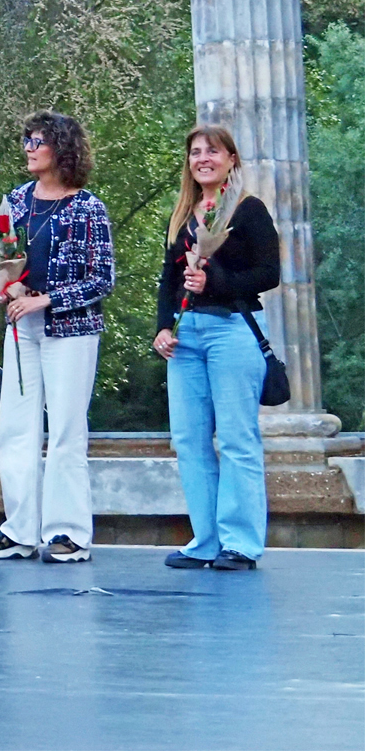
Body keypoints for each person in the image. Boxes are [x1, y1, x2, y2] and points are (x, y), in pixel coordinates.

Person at [0, 112, 115, 564]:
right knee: (15, 428)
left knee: (66, 432)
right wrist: (6, 285)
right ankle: (19, 530)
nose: (29, 148)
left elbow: (102, 280)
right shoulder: (15, 201)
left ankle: (68, 533)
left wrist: (46, 299)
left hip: (69, 331)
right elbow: (5, 260)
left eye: (39, 141)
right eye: (26, 140)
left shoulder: (87, 207)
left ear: (62, 149)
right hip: (22, 327)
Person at [154, 125, 280, 571]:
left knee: (235, 437)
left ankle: (240, 543)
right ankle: (205, 539)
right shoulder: (182, 215)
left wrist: (217, 282)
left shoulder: (248, 211)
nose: (202, 158)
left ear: (231, 158)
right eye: (194, 152)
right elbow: (169, 280)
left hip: (232, 331)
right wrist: (162, 327)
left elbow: (269, 273)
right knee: (189, 439)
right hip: (187, 338)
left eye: (212, 151)